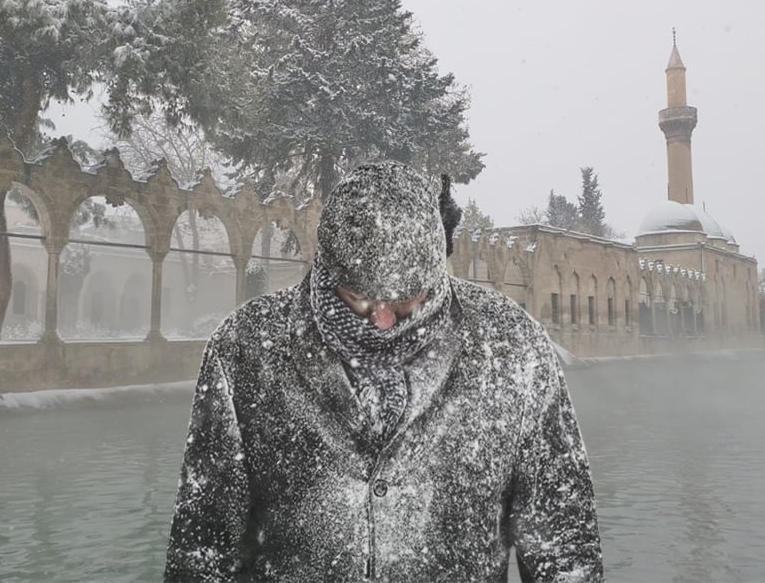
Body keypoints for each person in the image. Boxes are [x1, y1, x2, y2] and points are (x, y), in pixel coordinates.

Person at [164, 162, 603, 582]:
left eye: (405, 299)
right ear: (327, 271)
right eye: (359, 297)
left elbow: (562, 546)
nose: (383, 321)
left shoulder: (512, 345)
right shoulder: (245, 348)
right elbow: (203, 549)